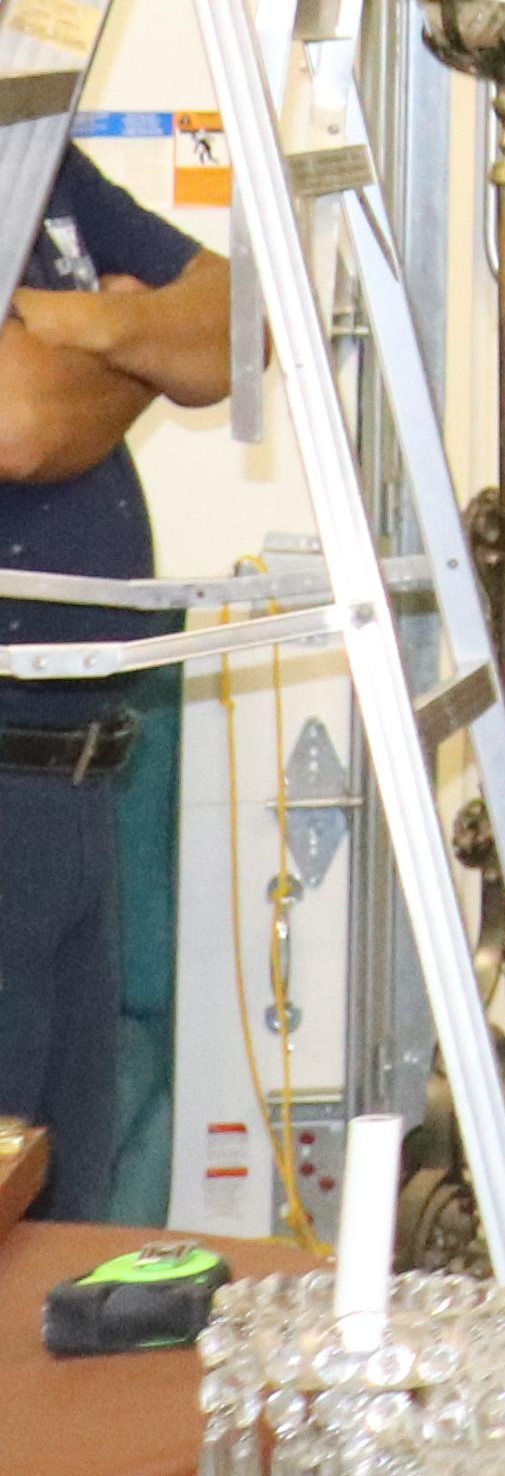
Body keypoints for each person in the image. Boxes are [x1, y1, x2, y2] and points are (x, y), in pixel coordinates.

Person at [3, 139, 231, 1203]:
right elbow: (22, 420)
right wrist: (149, 360)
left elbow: (237, 328)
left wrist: (98, 328)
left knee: (67, 1226)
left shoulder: (35, 153)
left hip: (83, 780)